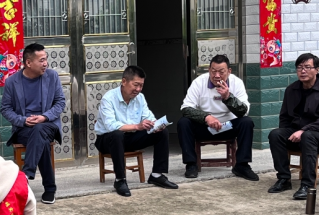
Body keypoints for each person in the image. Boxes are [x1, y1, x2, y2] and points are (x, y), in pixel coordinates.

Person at [94, 66, 179, 197]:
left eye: (141, 85)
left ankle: (157, 175)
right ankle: (120, 180)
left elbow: (147, 116)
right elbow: (111, 126)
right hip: (107, 140)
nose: (138, 89)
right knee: (117, 135)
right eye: (136, 85)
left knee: (162, 133)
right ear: (124, 81)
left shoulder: (140, 98)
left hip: (130, 138)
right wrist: (137, 126)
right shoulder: (108, 99)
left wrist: (155, 124)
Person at [266, 53, 319, 199]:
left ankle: (307, 185)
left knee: (308, 136)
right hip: (298, 132)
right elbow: (284, 116)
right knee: (275, 134)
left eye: (307, 67)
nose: (303, 71)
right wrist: (286, 133)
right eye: (299, 67)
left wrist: (304, 130)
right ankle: (284, 178)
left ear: (317, 70)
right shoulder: (291, 89)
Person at [0, 43, 66, 205]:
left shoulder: (52, 76)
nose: (45, 63)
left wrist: (44, 117)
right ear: (28, 63)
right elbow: (5, 109)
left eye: (46, 59)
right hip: (24, 128)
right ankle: (49, 188)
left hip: (48, 125)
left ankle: (27, 173)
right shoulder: (12, 82)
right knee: (39, 138)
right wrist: (23, 120)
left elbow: (60, 103)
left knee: (40, 129)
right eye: (41, 60)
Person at [178, 55, 258, 181]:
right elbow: (186, 108)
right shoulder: (199, 82)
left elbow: (244, 111)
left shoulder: (237, 82)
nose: (217, 76)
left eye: (221, 72)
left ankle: (242, 165)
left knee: (247, 122)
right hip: (205, 127)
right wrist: (206, 117)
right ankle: (191, 164)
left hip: (228, 126)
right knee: (183, 123)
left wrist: (228, 98)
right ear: (209, 70)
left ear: (229, 71)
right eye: (213, 71)